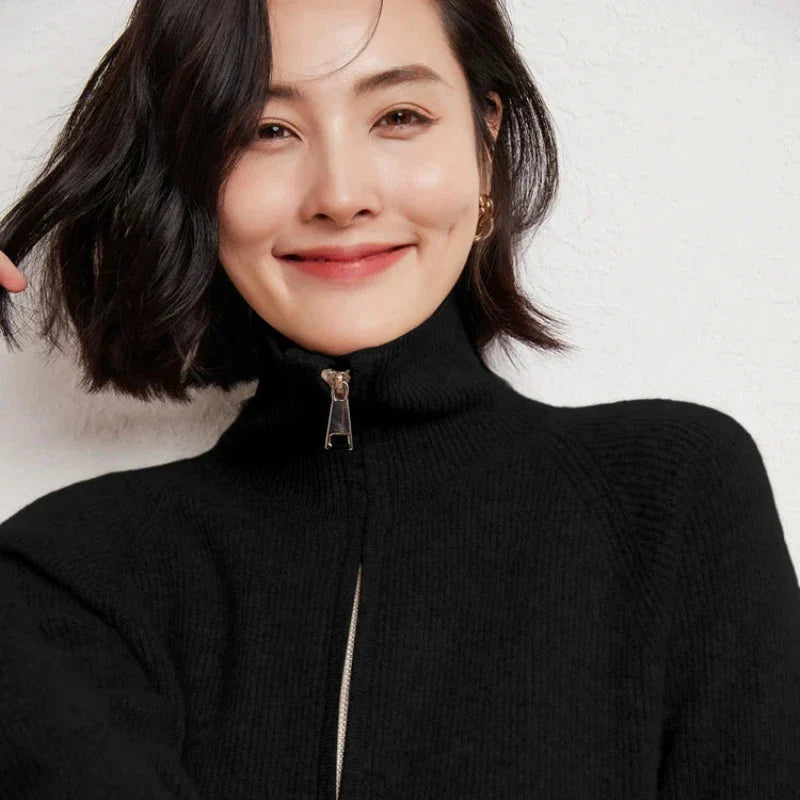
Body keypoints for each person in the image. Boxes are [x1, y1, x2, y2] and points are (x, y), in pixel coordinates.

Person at [1, 0, 798, 798]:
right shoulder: (69, 573)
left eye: (400, 116)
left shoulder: (669, 498)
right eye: (264, 130)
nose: (340, 195)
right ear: (194, 169)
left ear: (484, 141)